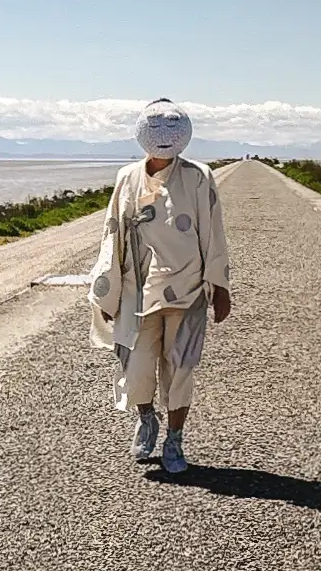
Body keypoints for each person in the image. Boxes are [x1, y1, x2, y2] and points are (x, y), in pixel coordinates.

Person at [88, 98, 230, 475]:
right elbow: (112, 234)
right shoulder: (127, 177)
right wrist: (108, 289)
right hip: (136, 292)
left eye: (171, 127)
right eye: (156, 127)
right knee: (136, 366)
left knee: (179, 366)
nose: (163, 135)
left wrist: (220, 286)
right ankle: (146, 418)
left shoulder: (199, 177)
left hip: (187, 289)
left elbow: (212, 232)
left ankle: (175, 439)